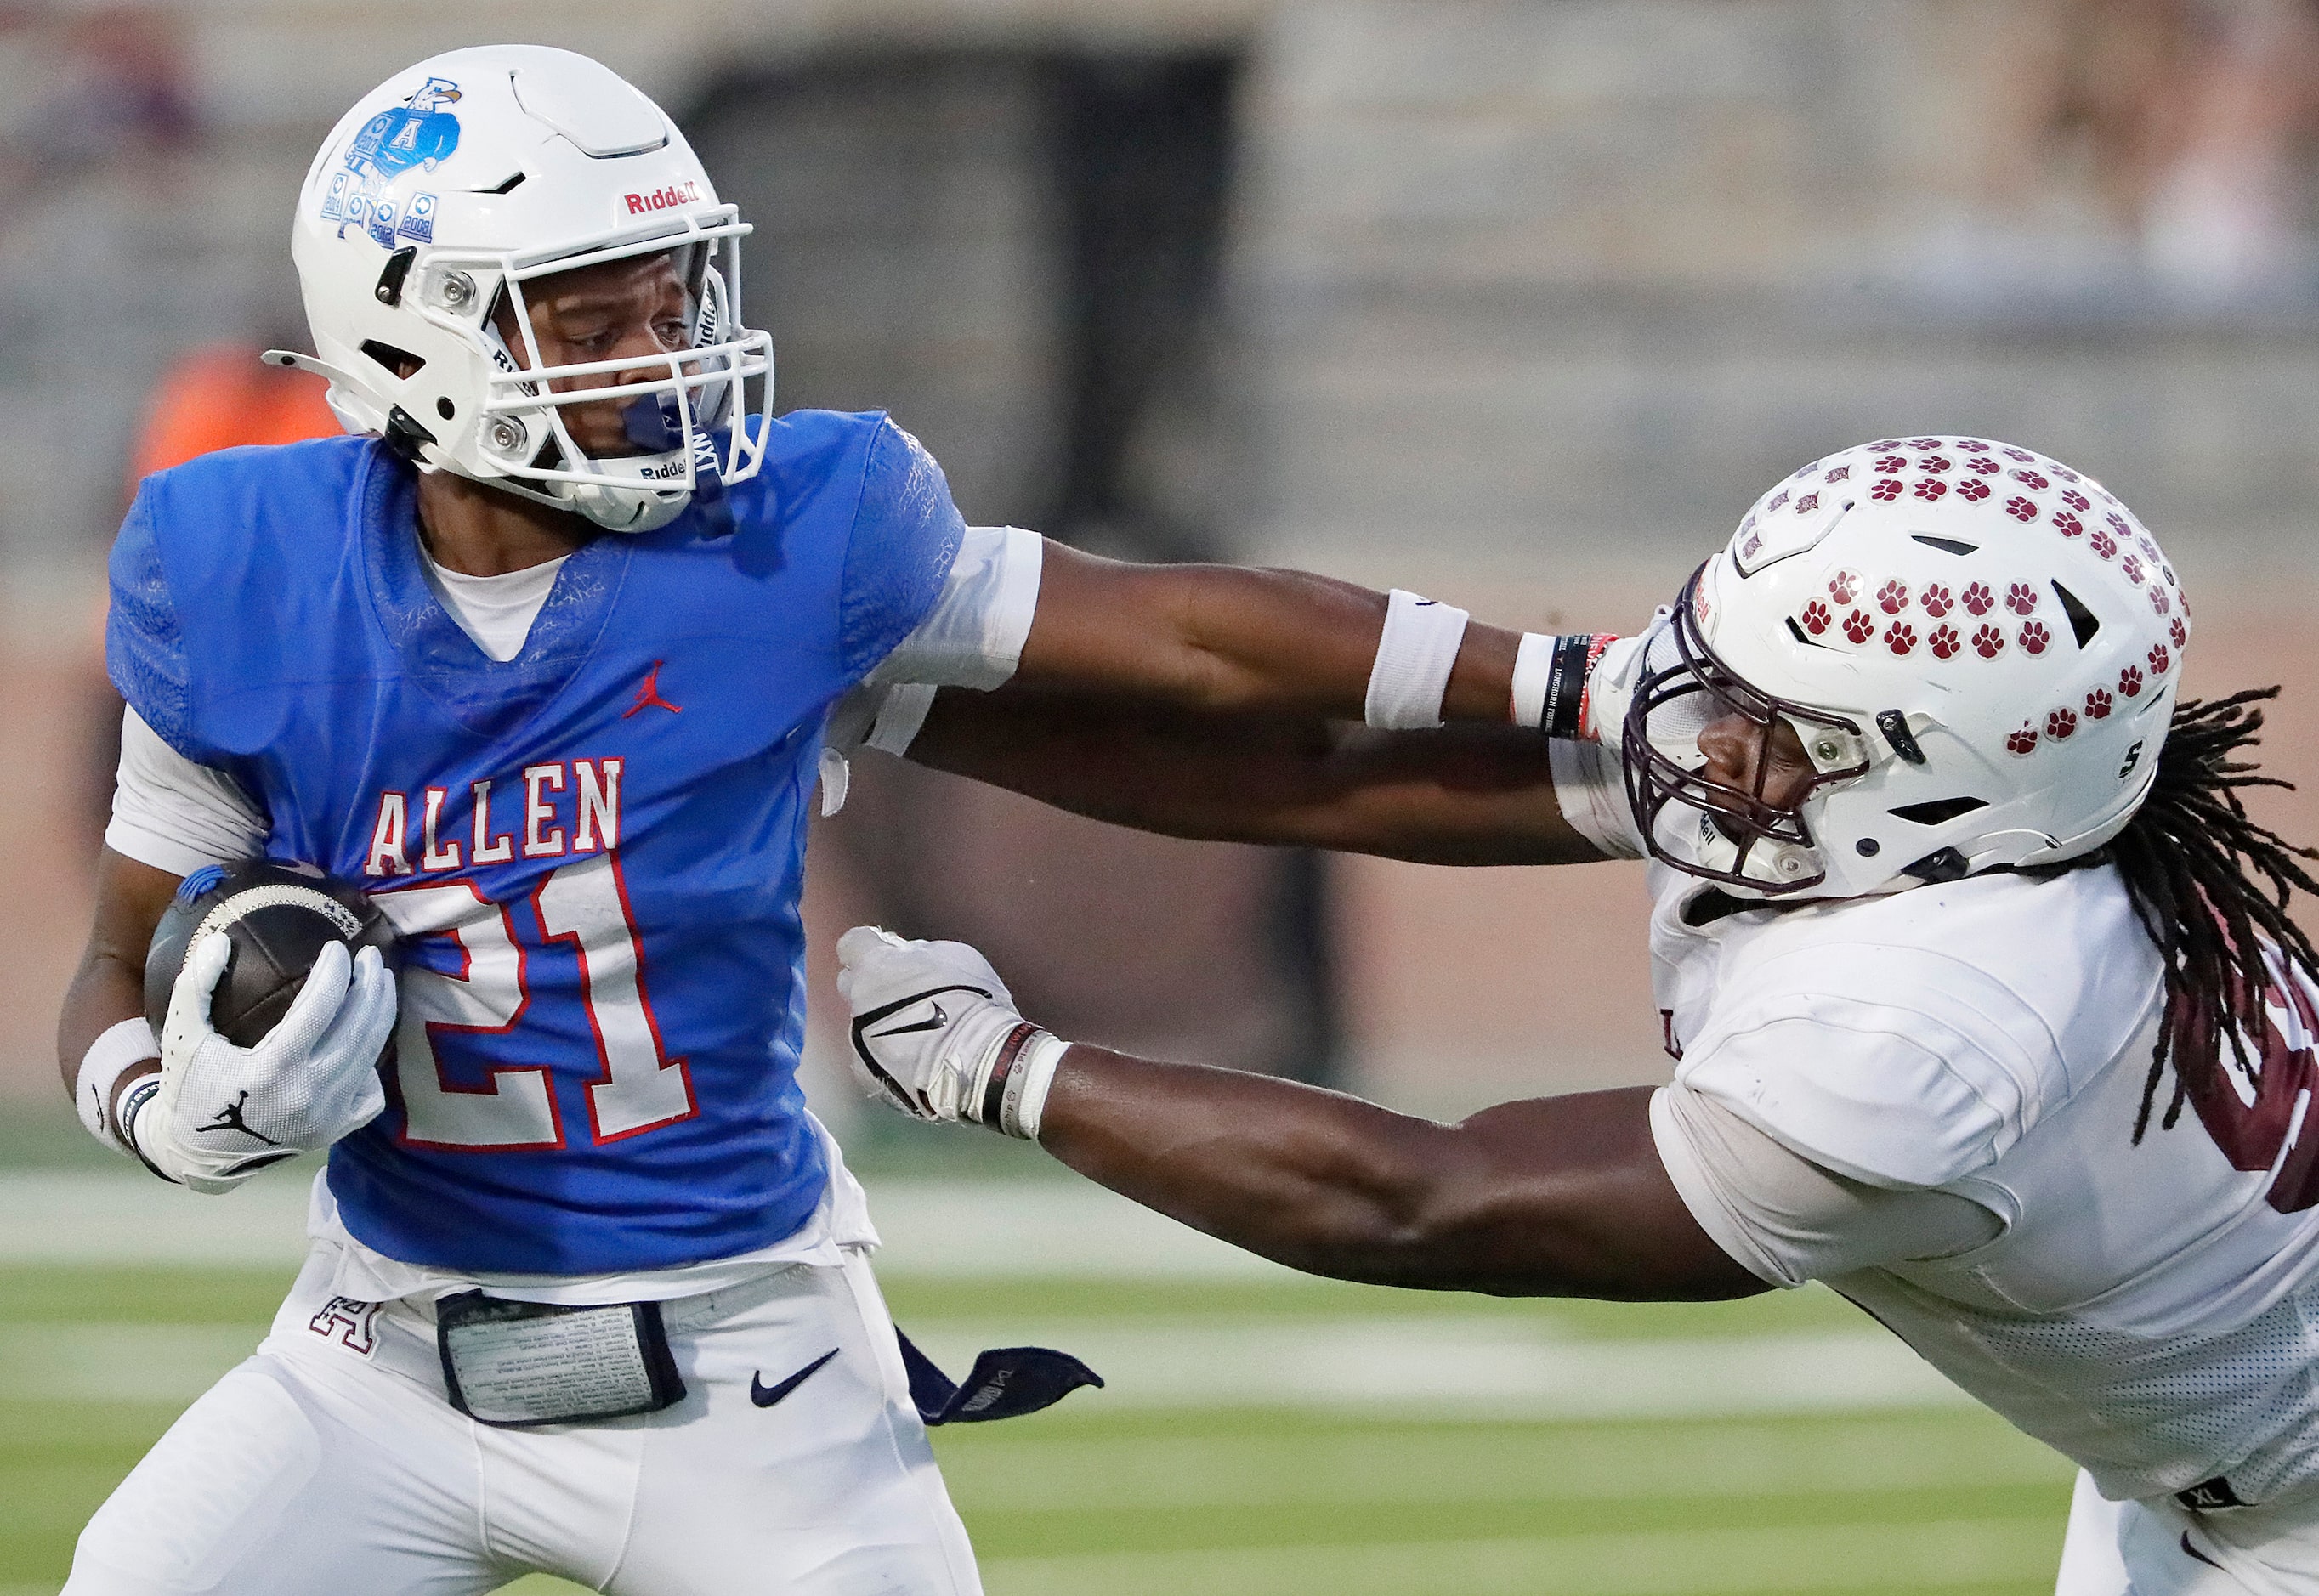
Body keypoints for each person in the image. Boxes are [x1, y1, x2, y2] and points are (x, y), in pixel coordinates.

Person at [57, 45, 1538, 1596]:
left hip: (743, 1363)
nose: (660, 354)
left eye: (671, 301)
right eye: (593, 318)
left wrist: (1570, 683)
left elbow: (1183, 635)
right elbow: (115, 957)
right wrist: (170, 1110)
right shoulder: (238, 562)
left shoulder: (785, 531)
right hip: (380, 1352)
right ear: (417, 330)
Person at [836, 433, 2319, 1595]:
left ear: (1940, 791)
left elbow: (1436, 1202)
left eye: (1775, 724)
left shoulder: (1934, 1031)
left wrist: (1009, 1070)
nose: (1704, 727)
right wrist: (891, 698)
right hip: (2213, 1485)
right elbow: (1328, 768)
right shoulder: (1937, 805)